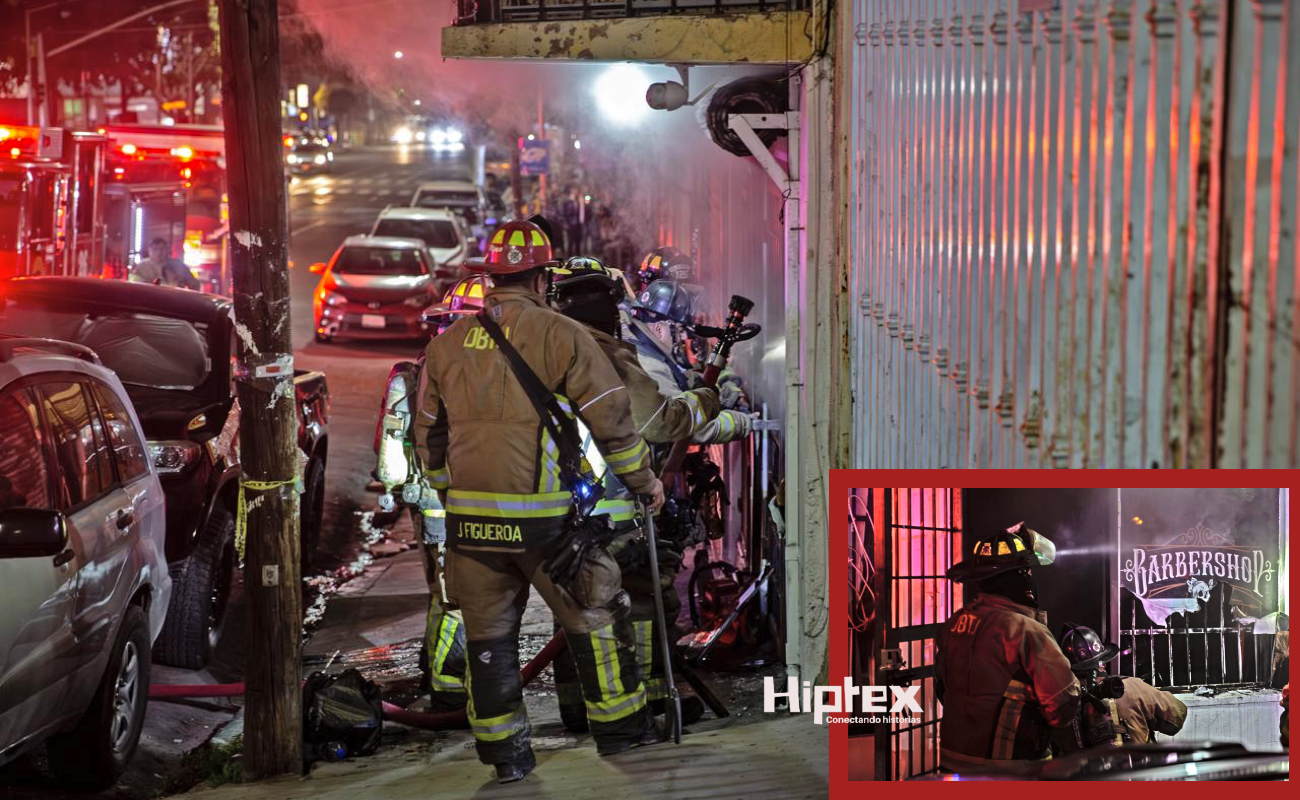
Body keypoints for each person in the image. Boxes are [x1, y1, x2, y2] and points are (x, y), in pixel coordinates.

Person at [413, 220, 665, 783]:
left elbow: (427, 434)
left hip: (471, 528)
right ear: (542, 279)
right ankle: (622, 733)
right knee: (597, 611)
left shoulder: (446, 346)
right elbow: (613, 420)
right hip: (546, 525)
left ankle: (507, 758)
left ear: (490, 278)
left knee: (488, 640)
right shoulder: (563, 334)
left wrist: (449, 489)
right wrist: (645, 482)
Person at [545, 256, 751, 732]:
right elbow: (661, 421)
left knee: (572, 607)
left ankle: (579, 706)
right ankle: (639, 703)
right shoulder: (611, 357)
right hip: (616, 506)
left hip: (557, 509)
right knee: (639, 601)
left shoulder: (545, 353)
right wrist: (710, 401)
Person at [935, 522, 1081, 776]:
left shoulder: (955, 622)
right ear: (1020, 576)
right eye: (1028, 571)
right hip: (1009, 768)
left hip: (952, 760)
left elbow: (942, 688)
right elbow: (1063, 705)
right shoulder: (1026, 630)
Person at [1056, 622, 1187, 745]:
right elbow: (1176, 720)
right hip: (1137, 762)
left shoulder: (1060, 702)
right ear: (1104, 662)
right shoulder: (1133, 686)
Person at [131, 238, 200, 289]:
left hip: (175, 299)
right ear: (149, 250)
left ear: (167, 250)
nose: (158, 253)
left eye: (161, 249)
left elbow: (194, 284)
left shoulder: (178, 265)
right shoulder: (142, 266)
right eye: (155, 249)